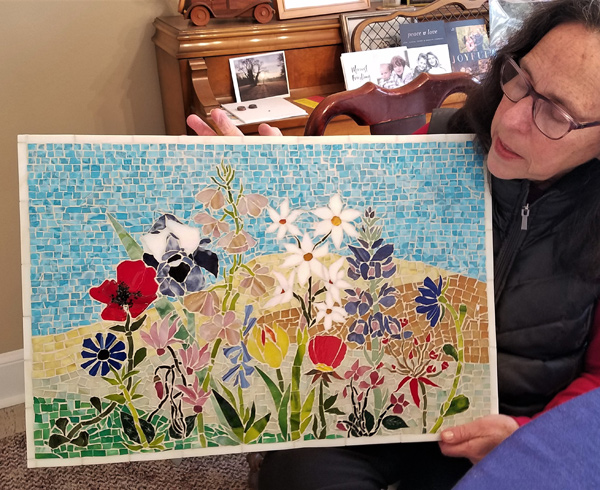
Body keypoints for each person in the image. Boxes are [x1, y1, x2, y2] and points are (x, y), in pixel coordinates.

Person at [188, 0, 600, 487]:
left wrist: (526, 438)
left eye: (554, 113)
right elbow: (342, 261)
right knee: (297, 474)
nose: (510, 120)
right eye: (521, 82)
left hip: (504, 430)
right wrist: (279, 194)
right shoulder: (443, 141)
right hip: (366, 400)